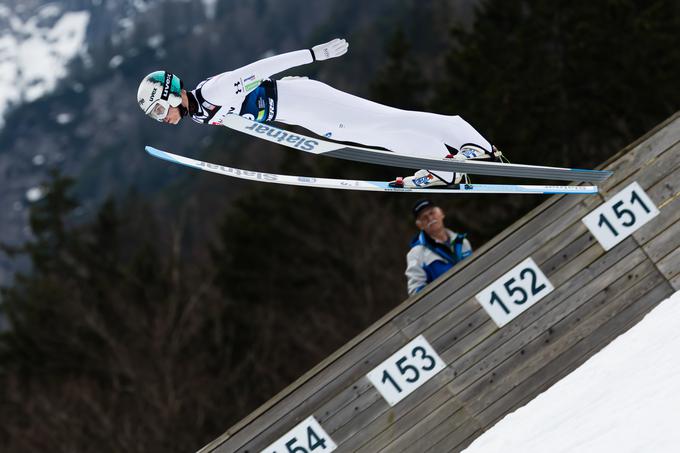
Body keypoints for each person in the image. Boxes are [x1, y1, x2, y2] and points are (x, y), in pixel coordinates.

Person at [136, 38, 502, 188]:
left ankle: (445, 165)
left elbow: (263, 67)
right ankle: (468, 142)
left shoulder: (212, 91)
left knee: (376, 133)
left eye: (157, 109)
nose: (160, 118)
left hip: (303, 101)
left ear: (170, 95)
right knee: (389, 120)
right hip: (302, 109)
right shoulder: (200, 110)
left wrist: (314, 54)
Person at [405, 199, 472, 295]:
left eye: (432, 213)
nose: (430, 218)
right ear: (420, 225)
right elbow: (415, 292)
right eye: (424, 217)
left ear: (441, 213)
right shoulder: (416, 254)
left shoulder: (462, 242)